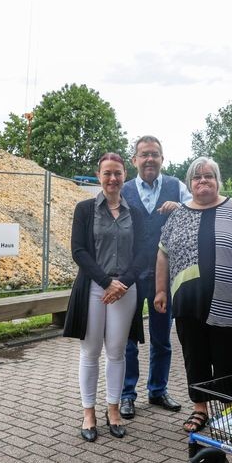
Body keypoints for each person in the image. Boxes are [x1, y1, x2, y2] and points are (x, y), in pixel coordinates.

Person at [155, 157, 232, 433]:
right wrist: (160, 290)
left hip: (229, 301)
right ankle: (200, 408)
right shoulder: (177, 214)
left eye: (208, 176)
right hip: (187, 301)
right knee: (195, 355)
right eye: (197, 177)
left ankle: (229, 411)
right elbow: (163, 254)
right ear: (190, 183)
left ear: (217, 180)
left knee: (227, 357)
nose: (203, 181)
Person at [63, 153, 146, 442]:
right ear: (99, 175)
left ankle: (113, 410)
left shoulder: (134, 212)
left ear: (125, 176)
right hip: (94, 288)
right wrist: (106, 282)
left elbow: (143, 253)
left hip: (125, 288)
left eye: (118, 173)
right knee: (90, 351)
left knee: (117, 352)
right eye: (107, 173)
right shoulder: (85, 209)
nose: (113, 179)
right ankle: (89, 414)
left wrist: (121, 283)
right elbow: (78, 251)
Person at [119, 136, 191, 419]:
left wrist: (181, 207)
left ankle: (158, 390)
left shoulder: (176, 187)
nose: (150, 159)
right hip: (132, 276)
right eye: (144, 154)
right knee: (128, 339)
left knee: (162, 338)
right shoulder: (123, 190)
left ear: (163, 159)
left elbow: (198, 208)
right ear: (134, 160)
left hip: (165, 277)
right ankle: (126, 394)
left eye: (155, 154)